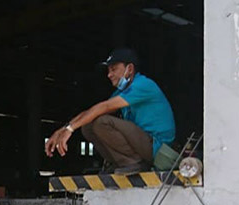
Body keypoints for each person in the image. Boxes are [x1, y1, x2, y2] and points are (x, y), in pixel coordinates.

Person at [45, 48, 175, 175]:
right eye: (108, 70)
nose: (109, 75)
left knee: (102, 122)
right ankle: (121, 162)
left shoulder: (143, 85)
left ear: (129, 69)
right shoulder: (122, 92)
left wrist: (70, 129)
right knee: (88, 126)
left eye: (113, 69)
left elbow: (105, 107)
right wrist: (63, 129)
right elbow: (93, 111)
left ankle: (134, 163)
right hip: (141, 143)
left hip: (157, 148)